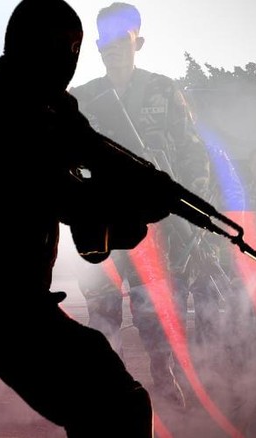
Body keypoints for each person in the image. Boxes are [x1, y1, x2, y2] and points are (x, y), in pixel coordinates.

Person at [0, 0, 216, 435]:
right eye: (73, 51)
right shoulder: (48, 116)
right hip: (7, 311)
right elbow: (80, 209)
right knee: (116, 406)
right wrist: (126, 207)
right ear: (65, 52)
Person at [68, 2, 222, 406]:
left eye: (121, 38)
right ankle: (109, 388)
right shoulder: (82, 98)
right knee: (102, 312)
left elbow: (192, 153)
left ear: (139, 42)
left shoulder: (163, 90)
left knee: (153, 309)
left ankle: (163, 374)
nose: (112, 47)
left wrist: (189, 210)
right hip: (100, 223)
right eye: (105, 40)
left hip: (154, 226)